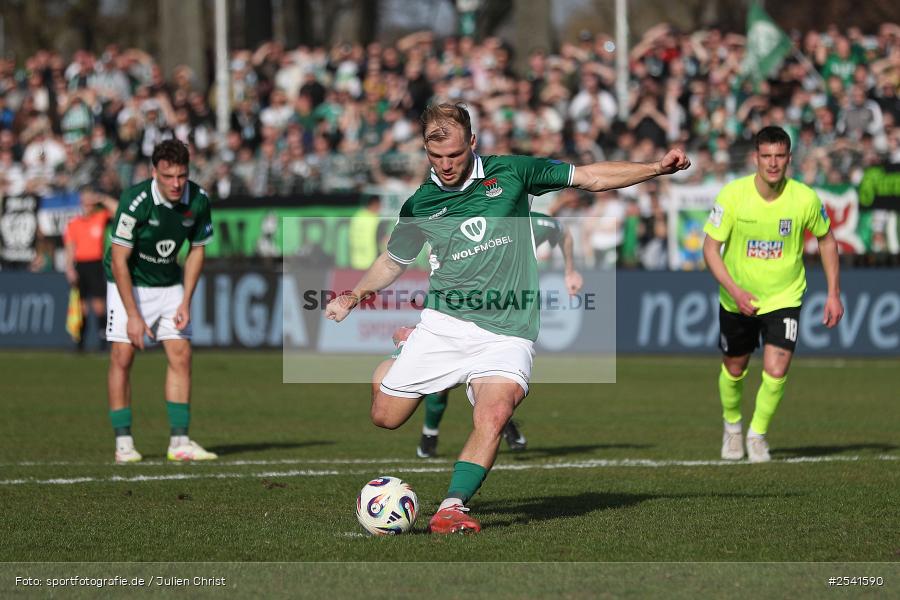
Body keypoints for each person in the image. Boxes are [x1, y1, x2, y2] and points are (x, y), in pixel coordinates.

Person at [325, 103, 689, 534]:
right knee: (385, 417)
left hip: (507, 330)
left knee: (496, 414)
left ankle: (452, 507)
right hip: (445, 325)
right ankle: (403, 352)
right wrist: (354, 295)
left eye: (455, 155)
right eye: (435, 156)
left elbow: (590, 177)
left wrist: (655, 168)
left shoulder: (514, 173)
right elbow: (393, 260)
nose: (445, 165)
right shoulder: (421, 203)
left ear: (473, 143)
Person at [702, 126, 843, 463]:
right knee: (734, 368)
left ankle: (758, 433)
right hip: (737, 299)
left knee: (777, 369)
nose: (773, 163)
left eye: (779, 156)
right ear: (756, 158)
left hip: (785, 297)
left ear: (789, 158)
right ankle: (733, 426)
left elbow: (826, 239)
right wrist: (734, 290)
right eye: (766, 156)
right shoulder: (733, 195)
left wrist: (834, 293)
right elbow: (710, 248)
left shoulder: (804, 198)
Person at [413, 210, 584, 458]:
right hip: (458, 313)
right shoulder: (462, 223)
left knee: (492, 384)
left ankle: (502, 423)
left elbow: (563, 232)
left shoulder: (530, 223)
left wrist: (570, 270)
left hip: (501, 321)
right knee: (440, 384)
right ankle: (430, 434)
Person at [103, 139, 217, 464]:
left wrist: (186, 301)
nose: (176, 183)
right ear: (154, 172)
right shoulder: (135, 201)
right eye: (168, 176)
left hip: (169, 284)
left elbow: (197, 249)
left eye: (181, 175)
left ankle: (179, 441)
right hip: (128, 283)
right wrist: (133, 314)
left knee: (181, 354)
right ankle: (124, 442)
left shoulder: (198, 199)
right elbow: (120, 260)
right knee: (122, 357)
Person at [63, 189, 118, 351]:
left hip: (95, 264)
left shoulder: (100, 217)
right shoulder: (74, 223)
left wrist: (101, 197)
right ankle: (80, 342)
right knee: (81, 306)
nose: (87, 205)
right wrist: (69, 268)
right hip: (80, 265)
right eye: (84, 201)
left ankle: (103, 340)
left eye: (89, 201)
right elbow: (69, 248)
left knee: (99, 305)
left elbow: (118, 210)